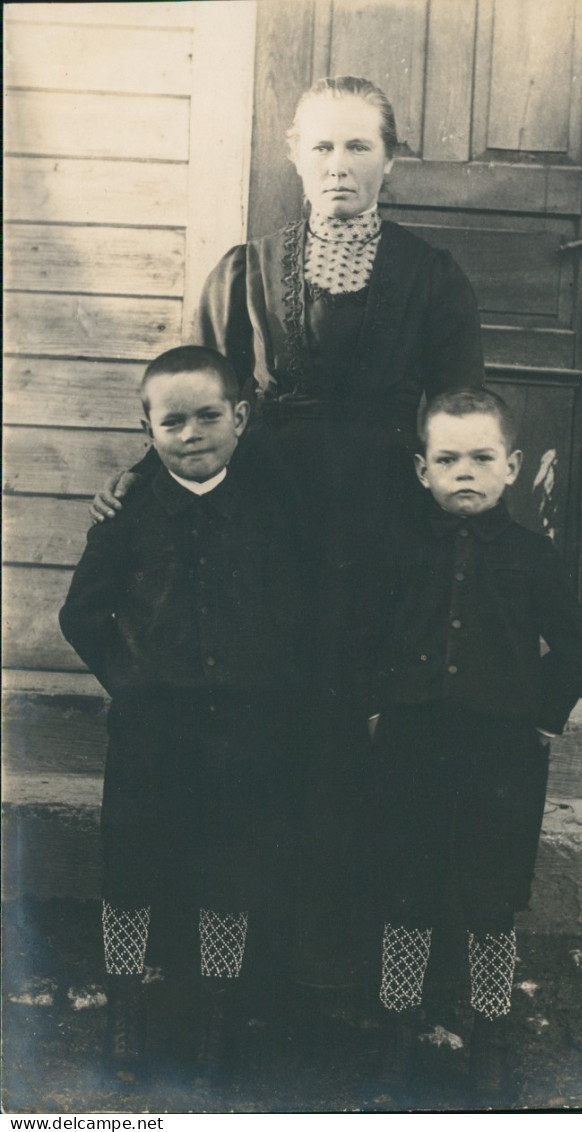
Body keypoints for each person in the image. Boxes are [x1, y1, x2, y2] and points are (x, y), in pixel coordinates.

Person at [89, 75, 485, 991]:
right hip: (259, 531)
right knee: (264, 726)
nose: (338, 166)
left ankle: (343, 962)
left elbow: (460, 408)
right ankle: (250, 961)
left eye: (357, 147)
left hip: (380, 532)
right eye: (321, 147)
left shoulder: (431, 276)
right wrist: (137, 482)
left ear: (390, 157)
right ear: (293, 155)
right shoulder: (243, 270)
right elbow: (196, 397)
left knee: (356, 726)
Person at [59, 346, 307, 1086]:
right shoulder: (128, 510)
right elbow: (81, 614)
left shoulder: (269, 508)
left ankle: (215, 1020)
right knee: (132, 867)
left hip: (242, 730)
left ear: (240, 418)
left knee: (229, 867)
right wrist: (132, 679)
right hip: (149, 729)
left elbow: (299, 612)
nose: (192, 434)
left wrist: (266, 683)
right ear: (147, 427)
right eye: (173, 421)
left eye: (208, 416)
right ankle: (125, 1014)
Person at [353, 389, 582, 1106]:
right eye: (447, 458)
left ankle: (490, 1039)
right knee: (406, 889)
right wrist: (374, 709)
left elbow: (574, 645)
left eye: (481, 458)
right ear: (420, 469)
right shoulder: (395, 546)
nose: (465, 472)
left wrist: (543, 721)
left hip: (502, 756)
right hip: (410, 745)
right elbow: (362, 634)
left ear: (511, 467)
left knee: (490, 896)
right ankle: (396, 1031)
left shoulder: (533, 555)